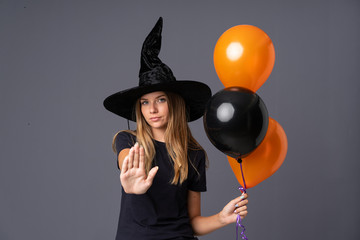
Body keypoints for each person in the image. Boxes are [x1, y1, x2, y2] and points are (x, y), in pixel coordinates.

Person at [104, 17, 248, 240]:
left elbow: (193, 223)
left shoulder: (194, 154)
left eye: (160, 100)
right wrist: (130, 180)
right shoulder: (128, 141)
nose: (152, 109)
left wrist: (222, 217)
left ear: (175, 104)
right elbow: (127, 162)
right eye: (144, 102)